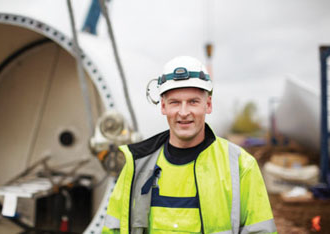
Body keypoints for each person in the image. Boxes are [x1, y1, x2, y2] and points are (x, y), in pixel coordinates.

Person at [102, 56, 276, 234]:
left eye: (193, 102)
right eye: (175, 102)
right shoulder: (137, 166)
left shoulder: (240, 166)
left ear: (207, 105)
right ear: (163, 107)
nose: (183, 112)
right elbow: (113, 229)